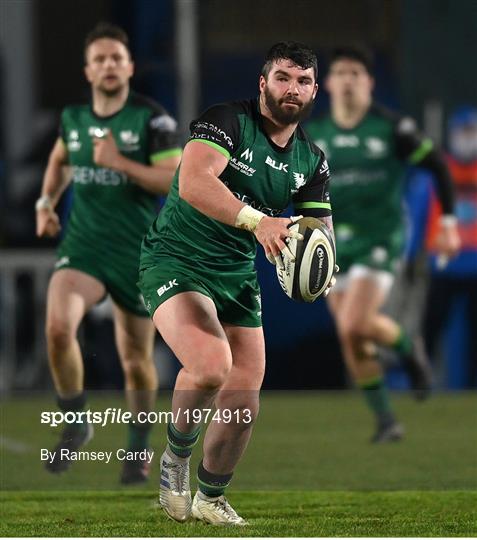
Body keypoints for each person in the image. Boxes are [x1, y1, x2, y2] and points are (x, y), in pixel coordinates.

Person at [138, 41, 335, 525]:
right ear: (263, 82)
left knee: (245, 394)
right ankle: (175, 461)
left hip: (236, 275)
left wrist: (322, 266)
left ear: (314, 91)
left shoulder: (311, 160)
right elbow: (194, 181)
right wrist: (258, 221)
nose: (293, 89)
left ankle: (211, 498)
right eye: (284, 77)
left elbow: (320, 231)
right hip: (175, 260)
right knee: (210, 367)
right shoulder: (227, 120)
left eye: (304, 81)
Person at [35, 22, 182, 484]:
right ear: (87, 70)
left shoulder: (152, 118)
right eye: (100, 59)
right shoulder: (74, 118)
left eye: (117, 57)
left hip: (137, 252)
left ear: (130, 66)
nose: (109, 65)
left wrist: (118, 162)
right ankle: (76, 419)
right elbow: (60, 160)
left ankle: (137, 451)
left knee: (135, 359)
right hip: (83, 246)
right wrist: (46, 202)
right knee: (59, 328)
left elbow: (175, 181)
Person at [306, 45, 460, 443]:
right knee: (350, 335)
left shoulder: (393, 128)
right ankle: (387, 418)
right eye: (341, 73)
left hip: (381, 237)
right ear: (328, 84)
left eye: (357, 73)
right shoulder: (315, 135)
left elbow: (439, 167)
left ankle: (408, 350)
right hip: (334, 243)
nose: (349, 80)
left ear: (370, 83)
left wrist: (446, 224)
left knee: (356, 322)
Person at [422, 106, 477, 386]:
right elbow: (419, 210)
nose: (467, 138)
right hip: (443, 263)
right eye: (463, 132)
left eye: (472, 132)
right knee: (431, 327)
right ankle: (420, 384)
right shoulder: (438, 169)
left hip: (475, 265)